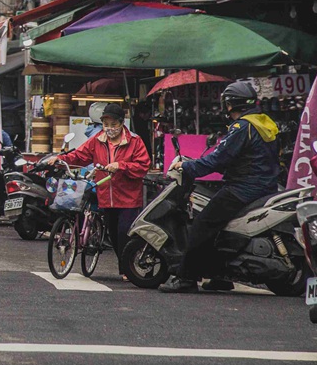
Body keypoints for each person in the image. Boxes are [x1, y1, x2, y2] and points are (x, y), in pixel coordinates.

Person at [161, 79, 281, 293]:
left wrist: (187, 167)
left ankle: (186, 279)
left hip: (243, 188)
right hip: (266, 186)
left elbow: (218, 159)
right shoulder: (265, 122)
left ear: (230, 104)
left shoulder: (242, 127)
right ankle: (220, 276)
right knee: (219, 227)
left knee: (201, 225)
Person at [56, 102, 150, 277]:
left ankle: (127, 270)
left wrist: (120, 166)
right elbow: (80, 155)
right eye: (106, 124)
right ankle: (125, 265)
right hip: (106, 195)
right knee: (113, 234)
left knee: (124, 232)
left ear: (122, 124)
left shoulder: (135, 141)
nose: (109, 128)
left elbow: (143, 166)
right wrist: (60, 159)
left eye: (113, 124)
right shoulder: (97, 140)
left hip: (128, 197)